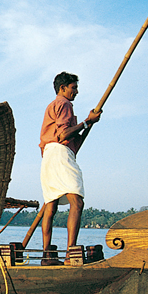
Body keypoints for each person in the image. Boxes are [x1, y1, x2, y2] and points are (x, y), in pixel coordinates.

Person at [39, 72, 102, 265]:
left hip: (49, 156)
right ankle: (69, 255)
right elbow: (63, 134)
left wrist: (89, 124)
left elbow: (75, 142)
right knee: (77, 203)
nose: (76, 92)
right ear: (63, 88)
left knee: (51, 206)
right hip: (59, 153)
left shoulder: (54, 106)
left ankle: (47, 255)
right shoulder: (64, 104)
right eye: (73, 88)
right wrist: (86, 121)